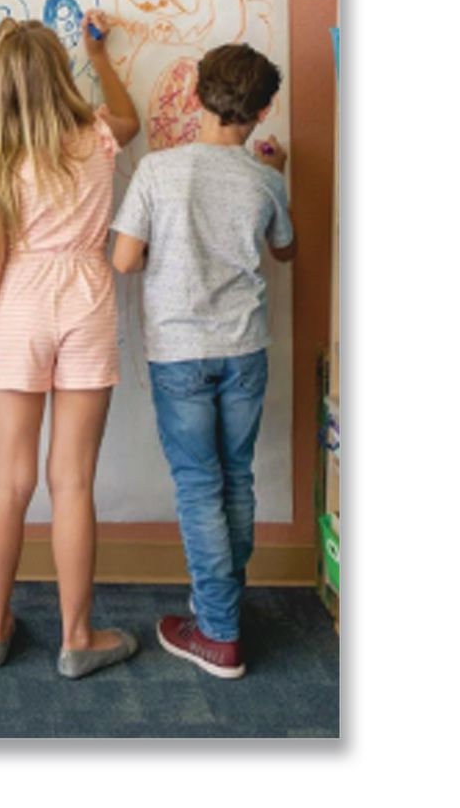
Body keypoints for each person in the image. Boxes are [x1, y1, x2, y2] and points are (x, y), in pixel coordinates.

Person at [0, 14, 141, 679]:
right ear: (61, 73)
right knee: (73, 481)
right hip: (86, 299)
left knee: (9, 479)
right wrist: (102, 58)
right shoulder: (97, 134)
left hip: (19, 304)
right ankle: (76, 637)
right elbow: (131, 119)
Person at [110, 42, 295, 679]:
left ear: (197, 95)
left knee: (199, 485)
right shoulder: (265, 179)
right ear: (263, 111)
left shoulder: (158, 171)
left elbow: (124, 260)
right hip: (244, 349)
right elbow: (285, 249)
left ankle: (218, 631)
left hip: (180, 352)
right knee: (236, 477)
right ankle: (222, 607)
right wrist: (278, 173)